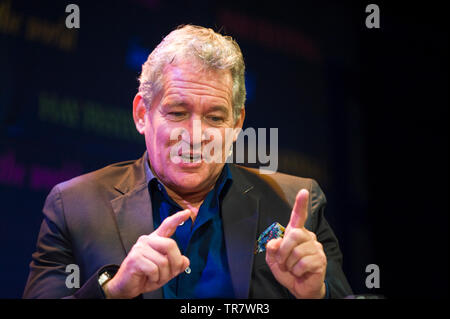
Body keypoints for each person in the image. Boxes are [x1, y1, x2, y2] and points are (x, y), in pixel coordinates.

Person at [23, 25, 353, 299]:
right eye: (178, 113)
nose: (195, 136)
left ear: (236, 125)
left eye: (214, 117)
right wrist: (114, 291)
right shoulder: (74, 206)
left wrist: (317, 295)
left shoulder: (296, 206)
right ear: (142, 113)